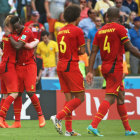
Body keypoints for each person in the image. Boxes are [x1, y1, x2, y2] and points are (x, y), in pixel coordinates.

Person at [86, 7, 140, 136]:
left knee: (121, 97)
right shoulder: (120, 28)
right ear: (120, 17)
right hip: (115, 67)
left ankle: (127, 129)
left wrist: (90, 71)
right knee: (110, 97)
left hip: (105, 67)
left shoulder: (99, 31)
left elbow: (93, 52)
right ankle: (93, 125)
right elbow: (129, 47)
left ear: (107, 17)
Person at [50, 5, 85, 136]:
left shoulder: (60, 31)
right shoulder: (77, 31)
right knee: (81, 97)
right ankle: (58, 117)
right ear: (77, 17)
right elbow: (82, 51)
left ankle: (69, 130)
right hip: (71, 65)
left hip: (61, 65)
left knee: (69, 99)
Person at [0, 15, 39, 128]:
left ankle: (2, 121)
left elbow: (2, 46)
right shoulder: (15, 37)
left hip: (3, 65)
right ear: (10, 26)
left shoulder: (4, 36)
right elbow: (24, 45)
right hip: (9, 66)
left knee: (4, 95)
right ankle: (1, 116)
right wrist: (36, 41)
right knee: (15, 93)